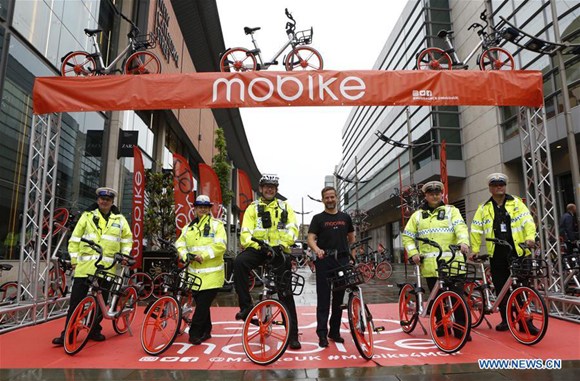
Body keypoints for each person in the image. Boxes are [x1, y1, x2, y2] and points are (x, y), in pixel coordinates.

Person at [52, 187, 132, 345]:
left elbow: (127, 239)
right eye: (102, 199)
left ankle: (94, 329)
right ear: (98, 200)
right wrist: (74, 261)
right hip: (85, 267)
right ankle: (68, 334)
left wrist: (125, 255)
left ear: (112, 202)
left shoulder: (120, 220)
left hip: (108, 267)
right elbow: (74, 240)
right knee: (76, 303)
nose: (104, 202)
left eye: (108, 200)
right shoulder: (87, 216)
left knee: (102, 302)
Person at [233, 174, 302, 350]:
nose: (269, 189)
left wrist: (283, 244)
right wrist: (257, 246)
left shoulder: (285, 206)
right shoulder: (252, 208)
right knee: (239, 262)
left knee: (285, 293)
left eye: (272, 186)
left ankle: (293, 335)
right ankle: (246, 307)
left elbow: (294, 229)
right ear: (261, 189)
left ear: (276, 189)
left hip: (279, 251)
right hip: (259, 250)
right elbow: (246, 232)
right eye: (266, 186)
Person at [401, 181, 470, 339]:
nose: (434, 196)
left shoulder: (452, 211)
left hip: (454, 263)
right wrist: (413, 253)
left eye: (437, 193)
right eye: (431, 193)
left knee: (458, 298)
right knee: (436, 300)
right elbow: (407, 237)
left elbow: (461, 228)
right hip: (431, 265)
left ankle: (461, 329)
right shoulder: (417, 215)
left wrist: (463, 242)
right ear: (425, 195)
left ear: (442, 194)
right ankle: (440, 324)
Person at [470, 173, 537, 333]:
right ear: (490, 188)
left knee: (522, 287)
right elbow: (476, 229)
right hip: (497, 253)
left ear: (505, 186)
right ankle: (506, 320)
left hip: (518, 251)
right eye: (495, 184)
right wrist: (475, 249)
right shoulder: (483, 208)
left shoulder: (517, 204)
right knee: (501, 288)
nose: (499, 186)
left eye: (501, 184)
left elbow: (528, 221)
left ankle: (525, 322)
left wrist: (530, 238)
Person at [307, 186, 355, 348]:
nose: (330, 200)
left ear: (336, 198)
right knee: (323, 299)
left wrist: (344, 252)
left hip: (341, 261)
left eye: (332, 197)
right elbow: (311, 238)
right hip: (324, 261)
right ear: (323, 200)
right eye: (326, 198)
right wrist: (317, 249)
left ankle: (334, 331)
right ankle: (322, 334)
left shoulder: (345, 217)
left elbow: (351, 238)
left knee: (339, 299)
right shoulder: (318, 219)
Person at [175, 195, 226, 345]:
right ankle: (206, 330)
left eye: (205, 207)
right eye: (199, 207)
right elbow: (180, 244)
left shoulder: (217, 225)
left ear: (209, 209)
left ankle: (195, 332)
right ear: (195, 209)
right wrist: (185, 255)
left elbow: (220, 245)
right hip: (194, 275)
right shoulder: (188, 228)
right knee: (203, 306)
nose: (202, 209)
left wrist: (202, 256)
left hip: (212, 275)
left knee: (202, 305)